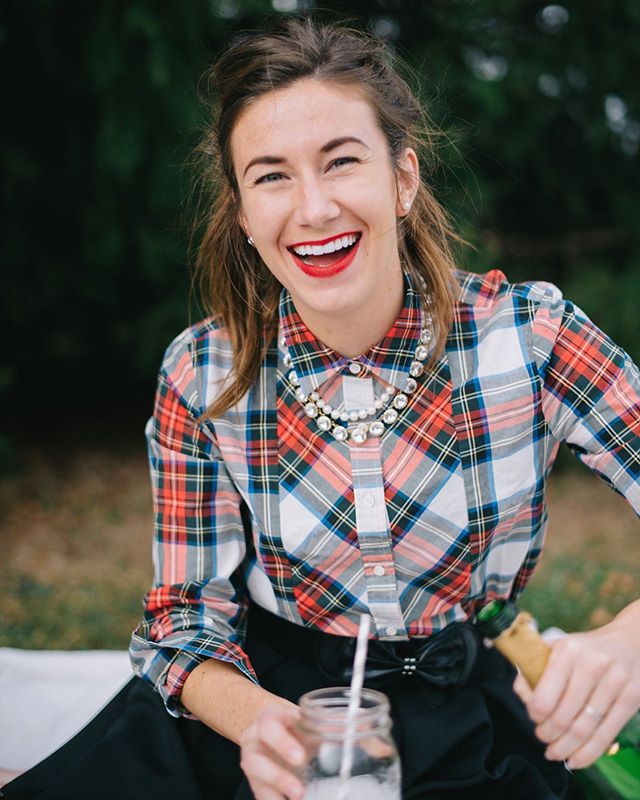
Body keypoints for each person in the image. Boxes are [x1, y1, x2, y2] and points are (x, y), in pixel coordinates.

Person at [4, 15, 639, 800]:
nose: (312, 209)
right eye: (271, 176)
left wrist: (629, 643)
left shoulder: (531, 336)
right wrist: (256, 723)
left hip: (468, 713)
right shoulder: (203, 373)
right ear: (241, 212)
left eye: (341, 162)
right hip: (263, 711)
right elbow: (185, 619)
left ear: (403, 179)